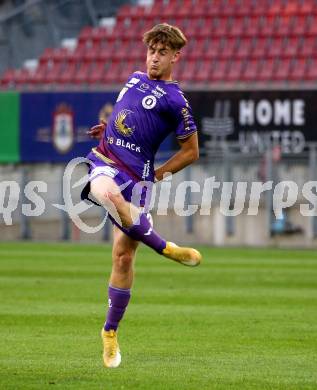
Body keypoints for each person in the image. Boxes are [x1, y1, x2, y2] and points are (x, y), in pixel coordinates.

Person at [84, 23, 202, 368]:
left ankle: (109, 332)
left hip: (139, 179)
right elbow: (129, 117)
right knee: (103, 190)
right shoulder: (134, 78)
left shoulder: (176, 101)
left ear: (175, 57)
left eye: (162, 52)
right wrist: (107, 129)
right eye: (152, 50)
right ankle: (165, 247)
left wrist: (161, 173)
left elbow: (192, 151)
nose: (154, 57)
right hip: (106, 161)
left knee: (122, 257)